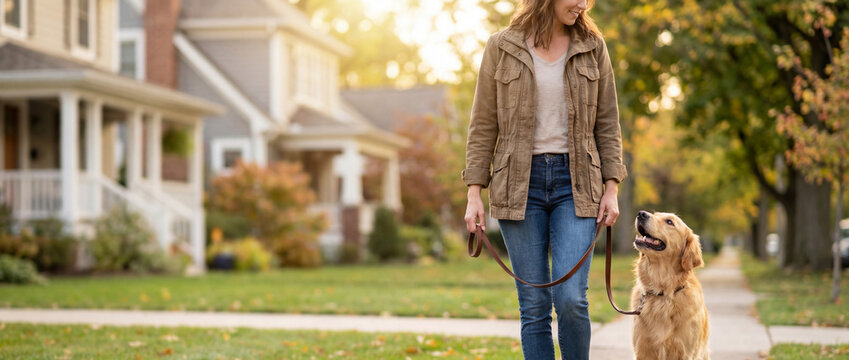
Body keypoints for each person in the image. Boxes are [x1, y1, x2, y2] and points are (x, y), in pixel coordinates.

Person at [461, 0, 626, 358]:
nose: (583, 3)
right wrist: (474, 193)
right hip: (518, 186)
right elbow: (483, 125)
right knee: (533, 306)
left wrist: (611, 187)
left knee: (571, 299)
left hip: (578, 183)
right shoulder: (501, 46)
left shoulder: (593, 47)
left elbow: (608, 124)